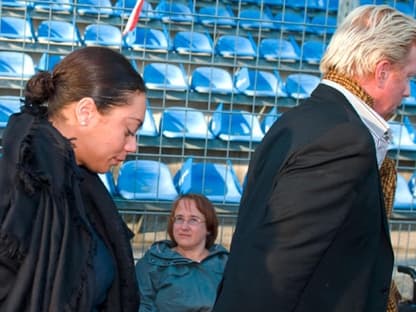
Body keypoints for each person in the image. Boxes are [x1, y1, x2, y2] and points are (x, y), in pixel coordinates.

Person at [212, 5, 416, 312]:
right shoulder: (343, 140)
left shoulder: (298, 120)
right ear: (382, 71)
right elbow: (277, 271)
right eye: (409, 77)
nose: (407, 93)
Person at [0, 46, 146, 311]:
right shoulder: (14, 190)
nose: (132, 145)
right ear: (86, 111)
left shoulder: (82, 189)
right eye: (128, 130)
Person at [135, 193, 229, 312]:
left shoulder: (224, 264)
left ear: (209, 228)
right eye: (179, 219)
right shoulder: (152, 263)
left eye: (193, 220)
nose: (184, 227)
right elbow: (142, 305)